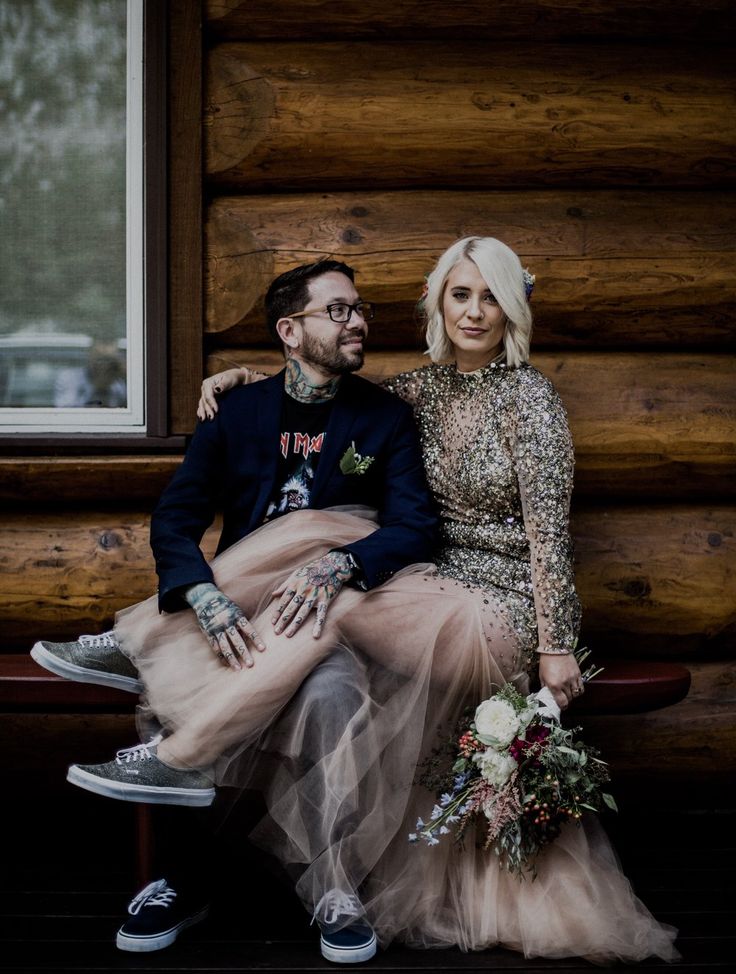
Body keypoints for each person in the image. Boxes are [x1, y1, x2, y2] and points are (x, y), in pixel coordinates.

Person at [34, 239, 679, 964]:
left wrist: (558, 646)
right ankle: (191, 857)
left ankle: (187, 751)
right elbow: (318, 384)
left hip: (494, 607)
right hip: (422, 589)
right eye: (460, 294)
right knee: (315, 554)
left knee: (327, 567)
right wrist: (245, 381)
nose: (473, 311)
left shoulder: (529, 399)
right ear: (438, 302)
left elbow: (547, 535)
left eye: (490, 297)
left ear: (512, 309)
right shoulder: (418, 391)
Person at [31, 258, 437, 961]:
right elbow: (175, 518)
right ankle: (180, 883)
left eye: (360, 309)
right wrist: (203, 595)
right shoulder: (236, 412)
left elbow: (413, 526)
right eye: (338, 311)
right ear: (290, 330)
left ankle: (336, 887)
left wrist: (346, 558)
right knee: (180, 685)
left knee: (335, 692)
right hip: (238, 616)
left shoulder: (386, 419)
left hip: (327, 622)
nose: (359, 322)